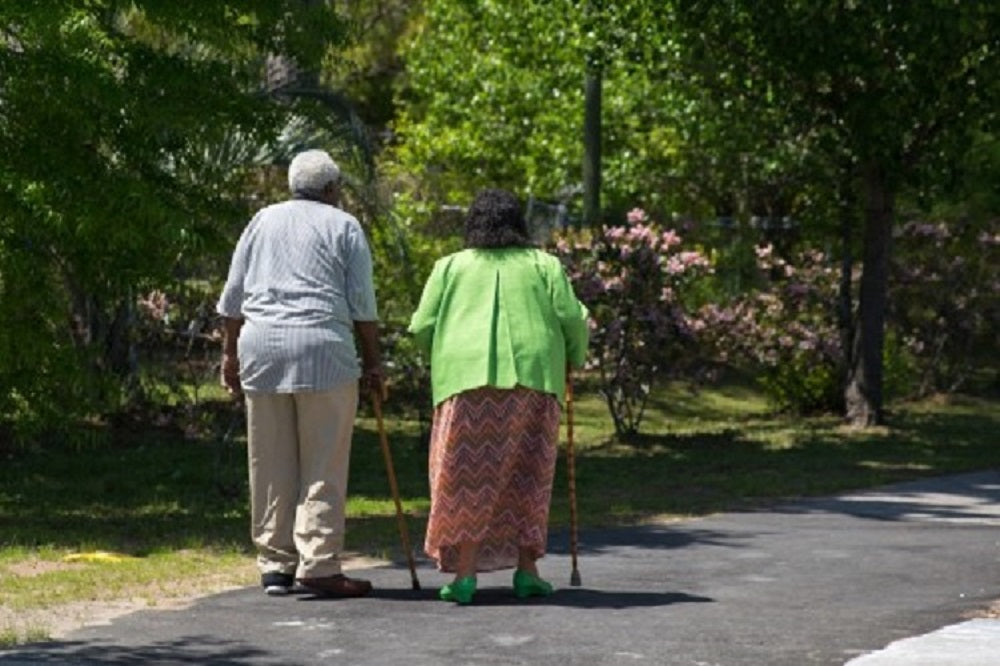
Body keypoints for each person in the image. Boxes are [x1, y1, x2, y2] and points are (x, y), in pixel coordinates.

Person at [408, 188, 589, 604]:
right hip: (534, 380)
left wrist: (440, 354)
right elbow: (571, 320)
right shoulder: (545, 265)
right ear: (518, 225)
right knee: (530, 474)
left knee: (463, 477)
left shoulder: (449, 267)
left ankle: (465, 575)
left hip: (463, 381)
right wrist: (574, 358)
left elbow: (421, 326)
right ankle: (527, 572)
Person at [217, 149, 384, 598]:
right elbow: (361, 305)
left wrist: (229, 356)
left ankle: (274, 564)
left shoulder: (262, 220)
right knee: (323, 459)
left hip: (263, 346)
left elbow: (232, 298)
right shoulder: (344, 225)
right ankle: (319, 563)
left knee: (268, 460)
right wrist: (374, 362)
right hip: (322, 350)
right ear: (332, 189)